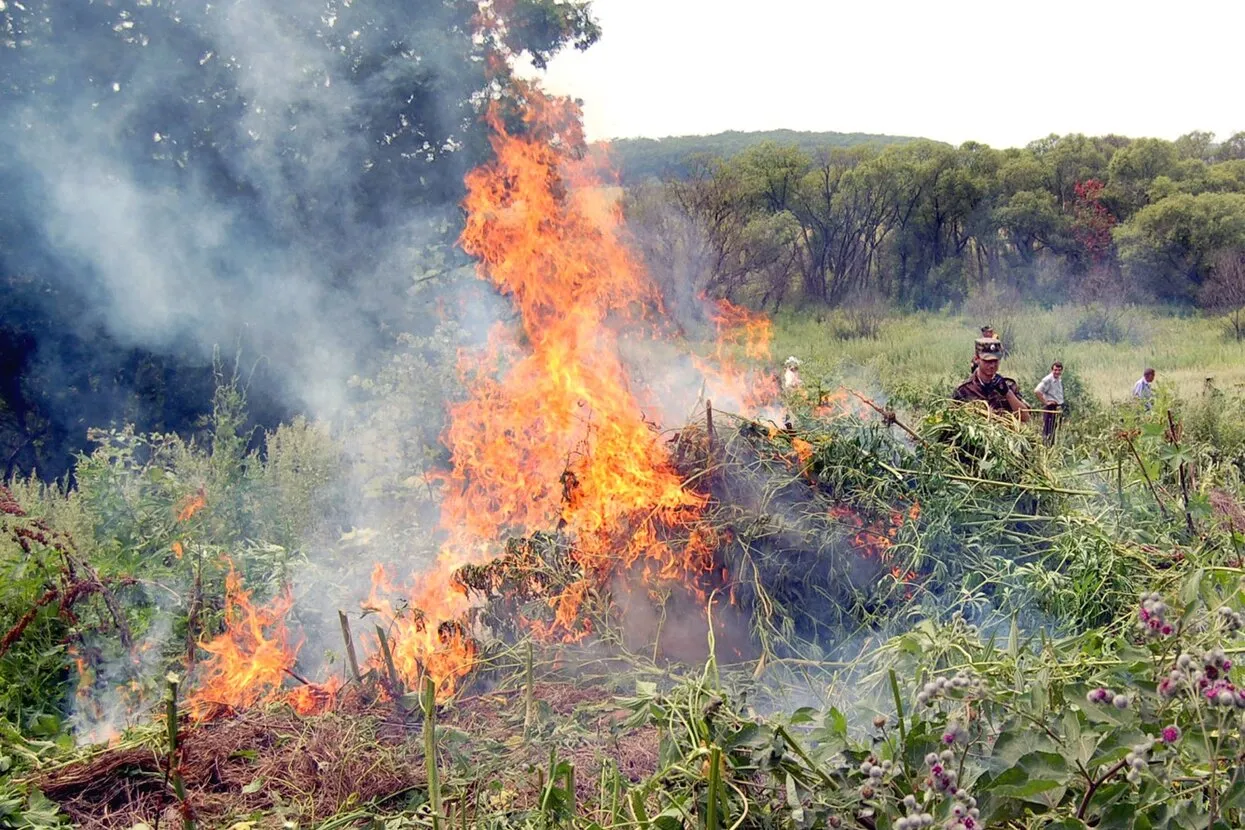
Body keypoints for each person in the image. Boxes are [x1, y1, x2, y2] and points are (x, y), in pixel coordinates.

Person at [953, 342, 1029, 422]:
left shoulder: (1008, 385)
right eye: (987, 361)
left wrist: (1008, 393)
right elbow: (953, 420)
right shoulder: (964, 389)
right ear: (976, 359)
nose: (992, 365)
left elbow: (1026, 418)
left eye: (995, 361)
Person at [1033, 361, 1064, 445]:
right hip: (1050, 408)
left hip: (1057, 407)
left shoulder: (1058, 379)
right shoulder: (1048, 380)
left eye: (1059, 370)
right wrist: (1046, 402)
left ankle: (1052, 447)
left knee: (1055, 429)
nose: (1057, 372)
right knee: (1048, 430)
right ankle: (1046, 448)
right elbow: (1037, 391)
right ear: (1052, 370)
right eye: (1055, 370)